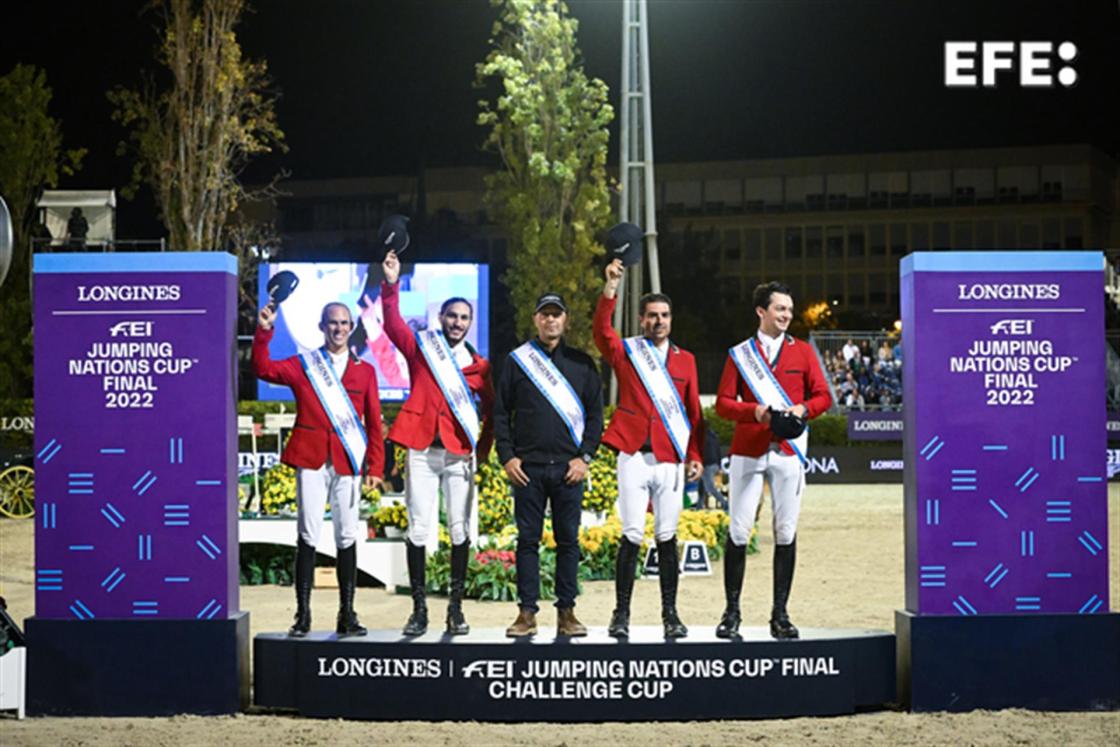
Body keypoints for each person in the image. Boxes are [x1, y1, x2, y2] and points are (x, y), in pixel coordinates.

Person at [380, 249, 494, 636]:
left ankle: (455, 610)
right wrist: (391, 283)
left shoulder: (480, 367)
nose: (457, 322)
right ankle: (419, 610)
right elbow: (393, 325)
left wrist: (484, 450)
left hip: (459, 454)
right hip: (422, 451)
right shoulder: (421, 349)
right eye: (452, 316)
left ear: (470, 323)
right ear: (441, 318)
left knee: (460, 530)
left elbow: (492, 411)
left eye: (464, 317)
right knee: (418, 530)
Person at [253, 301, 384, 638]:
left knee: (347, 536)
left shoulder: (366, 371)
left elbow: (374, 423)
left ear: (351, 327)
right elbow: (263, 368)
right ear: (322, 326)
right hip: (311, 458)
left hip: (347, 460)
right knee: (308, 535)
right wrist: (265, 330)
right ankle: (303, 614)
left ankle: (347, 613)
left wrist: (376, 466)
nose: (338, 329)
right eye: (332, 323)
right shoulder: (305, 364)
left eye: (344, 323)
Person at [714, 281, 832, 640]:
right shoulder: (739, 354)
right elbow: (723, 404)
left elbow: (823, 396)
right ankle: (731, 612)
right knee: (738, 530)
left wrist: (803, 409)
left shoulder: (803, 352)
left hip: (788, 451)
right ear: (761, 311)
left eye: (789, 310)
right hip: (748, 449)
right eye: (780, 309)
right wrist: (754, 411)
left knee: (785, 531)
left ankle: (780, 614)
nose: (786, 315)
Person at [593, 259, 703, 639]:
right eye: (652, 315)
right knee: (632, 535)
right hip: (634, 456)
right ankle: (621, 613)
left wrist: (696, 456)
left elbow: (693, 414)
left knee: (667, 538)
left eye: (665, 315)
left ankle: (670, 615)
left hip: (670, 459)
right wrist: (610, 288)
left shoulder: (686, 361)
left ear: (671, 320)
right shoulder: (627, 352)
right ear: (641, 320)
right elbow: (601, 332)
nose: (659, 321)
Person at [495, 293, 603, 637]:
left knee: (568, 542)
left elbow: (596, 417)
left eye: (556, 315)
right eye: (545, 314)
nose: (551, 320)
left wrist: (585, 457)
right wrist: (507, 456)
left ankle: (566, 613)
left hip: (569, 470)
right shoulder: (517, 362)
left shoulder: (583, 364)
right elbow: (501, 412)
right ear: (536, 320)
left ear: (565, 320)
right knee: (527, 542)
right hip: (528, 469)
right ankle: (526, 614)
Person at [699, 422, 726, 511]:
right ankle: (699, 505)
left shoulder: (702, 437)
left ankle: (725, 503)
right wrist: (719, 465)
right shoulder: (714, 436)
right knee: (702, 486)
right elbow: (718, 451)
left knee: (709, 487)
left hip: (707, 464)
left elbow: (703, 452)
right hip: (715, 464)